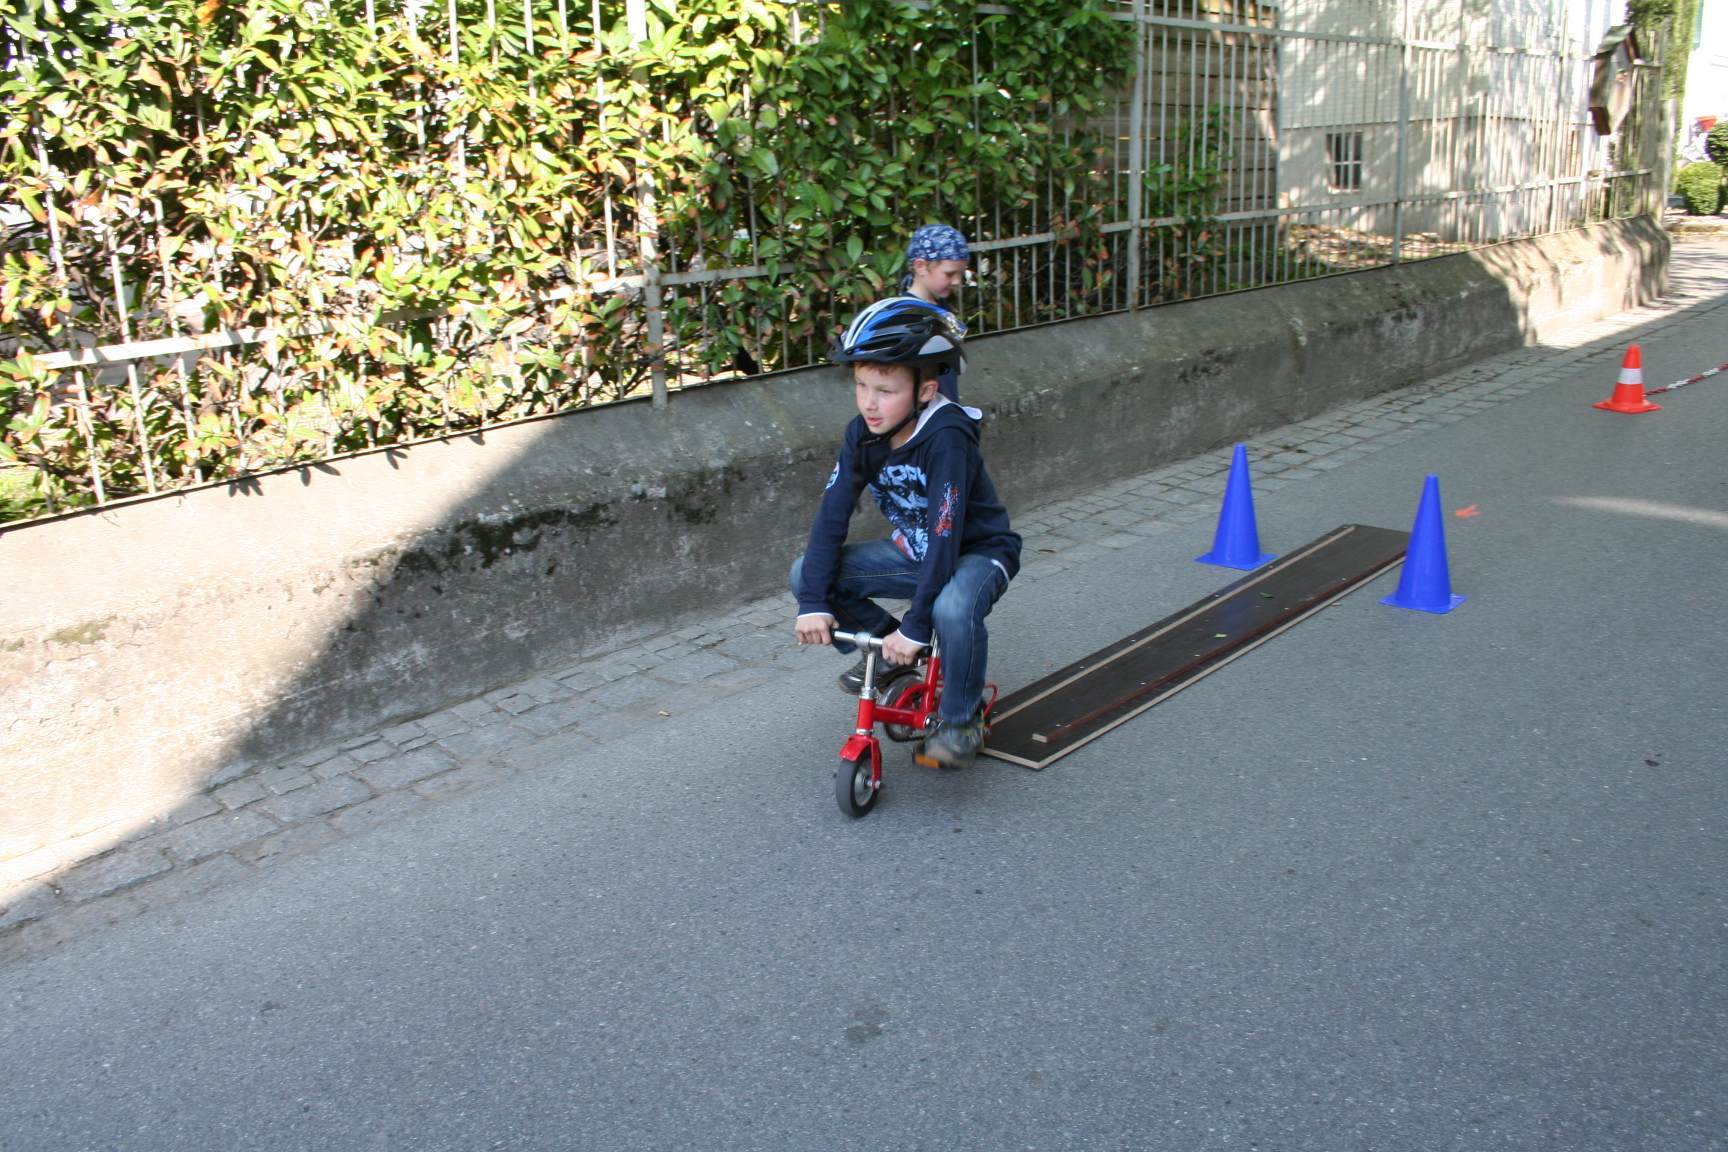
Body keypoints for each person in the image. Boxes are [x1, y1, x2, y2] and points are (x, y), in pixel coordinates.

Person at [788, 297, 1021, 768]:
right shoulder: (863, 434)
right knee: (806, 575)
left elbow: (946, 536)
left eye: (886, 390)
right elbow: (832, 515)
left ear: (925, 390)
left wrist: (917, 625)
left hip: (976, 554)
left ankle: (961, 721)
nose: (869, 403)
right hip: (916, 552)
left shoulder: (947, 438)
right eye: (861, 386)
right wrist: (812, 601)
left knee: (952, 610)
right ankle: (893, 657)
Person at [897, 223, 971, 401]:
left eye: (960, 273)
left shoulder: (940, 308)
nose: (957, 281)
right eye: (949, 274)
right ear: (921, 266)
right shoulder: (907, 315)